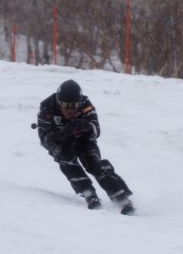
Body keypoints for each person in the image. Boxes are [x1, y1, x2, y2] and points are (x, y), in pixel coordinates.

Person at [36, 80, 135, 215]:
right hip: (60, 144)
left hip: (83, 140)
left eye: (74, 105)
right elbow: (45, 140)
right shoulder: (47, 106)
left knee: (94, 163)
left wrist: (86, 126)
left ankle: (121, 197)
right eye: (65, 105)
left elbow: (96, 132)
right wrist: (63, 132)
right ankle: (87, 191)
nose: (70, 109)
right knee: (66, 159)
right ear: (58, 102)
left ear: (79, 102)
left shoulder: (85, 105)